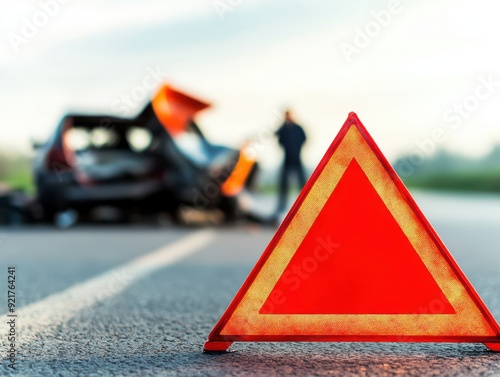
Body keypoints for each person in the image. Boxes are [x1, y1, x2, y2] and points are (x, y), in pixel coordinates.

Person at [275, 109, 307, 215]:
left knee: (303, 184)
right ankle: (281, 208)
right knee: (283, 184)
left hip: (297, 158)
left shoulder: (298, 128)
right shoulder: (284, 128)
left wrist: (297, 148)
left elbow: (304, 138)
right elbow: (277, 135)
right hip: (287, 159)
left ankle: (306, 204)